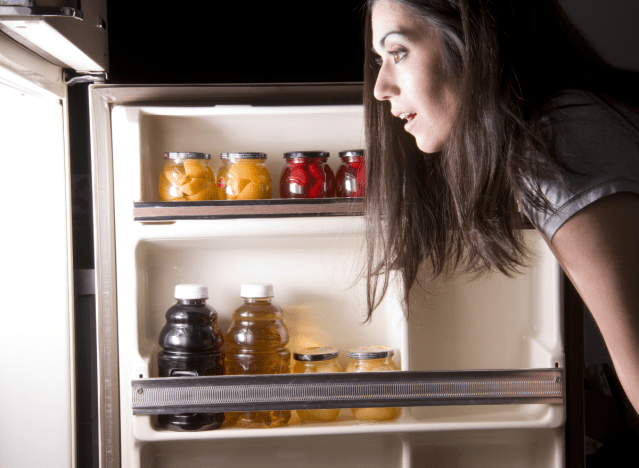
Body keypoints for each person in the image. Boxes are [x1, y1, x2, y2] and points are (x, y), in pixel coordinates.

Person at [362, 0, 639, 413]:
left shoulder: (560, 142)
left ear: (472, 42)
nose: (380, 87)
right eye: (380, 59)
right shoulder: (558, 124)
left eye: (398, 52)